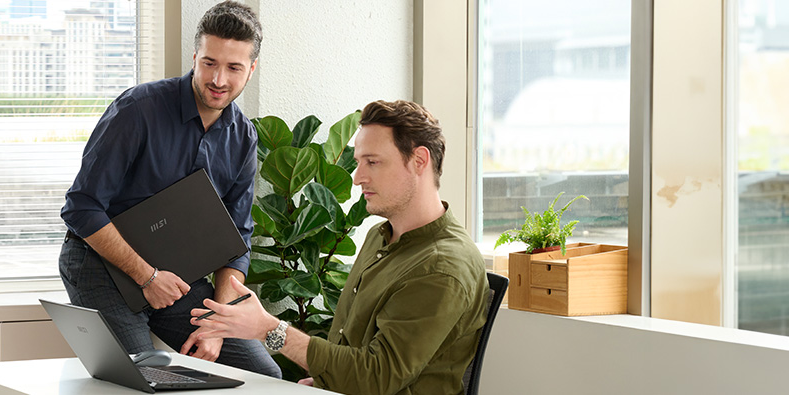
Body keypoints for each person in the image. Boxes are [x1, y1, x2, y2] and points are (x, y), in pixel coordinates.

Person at [189, 100, 490, 394]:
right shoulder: (380, 236)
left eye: (373, 162)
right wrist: (326, 382)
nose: (358, 177)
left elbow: (376, 378)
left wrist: (270, 329)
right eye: (358, 162)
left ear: (419, 161)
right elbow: (350, 346)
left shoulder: (442, 267)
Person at [58, 1, 280, 378]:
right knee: (145, 377)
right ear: (195, 56)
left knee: (263, 376)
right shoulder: (137, 109)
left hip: (178, 280)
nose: (219, 79)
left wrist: (217, 320)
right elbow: (82, 208)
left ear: (252, 70)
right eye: (209, 63)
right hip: (99, 268)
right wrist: (147, 277)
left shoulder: (244, 138)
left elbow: (236, 239)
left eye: (234, 68)